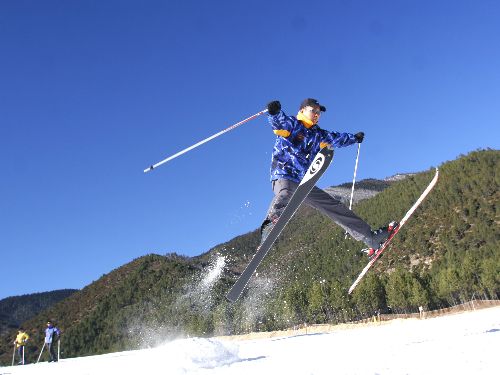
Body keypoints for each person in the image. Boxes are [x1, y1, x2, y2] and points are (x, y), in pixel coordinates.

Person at [261, 98, 396, 256]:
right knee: (284, 193)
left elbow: (337, 139)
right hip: (284, 175)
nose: (317, 114)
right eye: (314, 111)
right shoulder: (292, 125)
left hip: (304, 182)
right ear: (302, 110)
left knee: (333, 206)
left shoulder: (318, 135)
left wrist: (354, 138)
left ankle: (370, 238)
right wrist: (274, 112)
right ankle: (270, 227)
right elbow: (278, 123)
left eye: (319, 113)